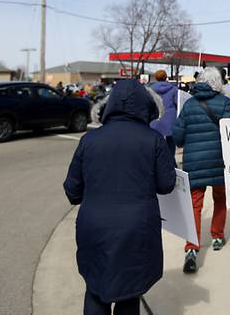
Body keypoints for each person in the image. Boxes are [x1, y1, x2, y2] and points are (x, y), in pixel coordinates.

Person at [63, 79, 176, 315]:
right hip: (136, 229)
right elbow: (166, 185)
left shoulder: (89, 140)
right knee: (129, 293)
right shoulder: (153, 139)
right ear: (146, 106)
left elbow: (72, 191)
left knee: (95, 288)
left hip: (93, 227)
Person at [172, 67, 230, 274]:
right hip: (219, 160)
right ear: (218, 82)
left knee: (194, 206)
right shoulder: (225, 102)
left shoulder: (189, 105)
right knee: (220, 198)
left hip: (194, 162)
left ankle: (191, 248)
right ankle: (217, 236)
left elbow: (178, 137)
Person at [150, 69, 179, 157]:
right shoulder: (173, 89)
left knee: (155, 141)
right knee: (171, 142)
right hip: (170, 118)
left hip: (156, 118)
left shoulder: (150, 90)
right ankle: (171, 159)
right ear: (166, 77)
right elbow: (177, 103)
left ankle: (156, 158)